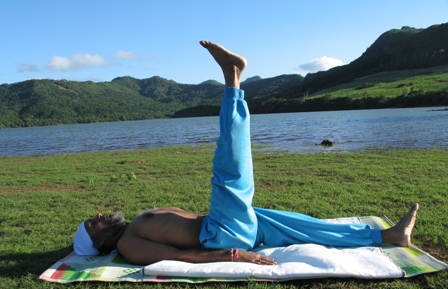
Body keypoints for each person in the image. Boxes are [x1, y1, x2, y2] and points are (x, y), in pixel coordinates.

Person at [74, 40, 419, 266]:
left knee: (304, 225)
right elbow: (181, 259)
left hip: (229, 224)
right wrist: (235, 255)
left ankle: (389, 236)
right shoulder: (128, 246)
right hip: (223, 234)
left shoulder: (132, 227)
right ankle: (233, 77)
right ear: (101, 243)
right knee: (230, 168)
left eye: (95, 217)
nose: (101, 215)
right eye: (95, 223)